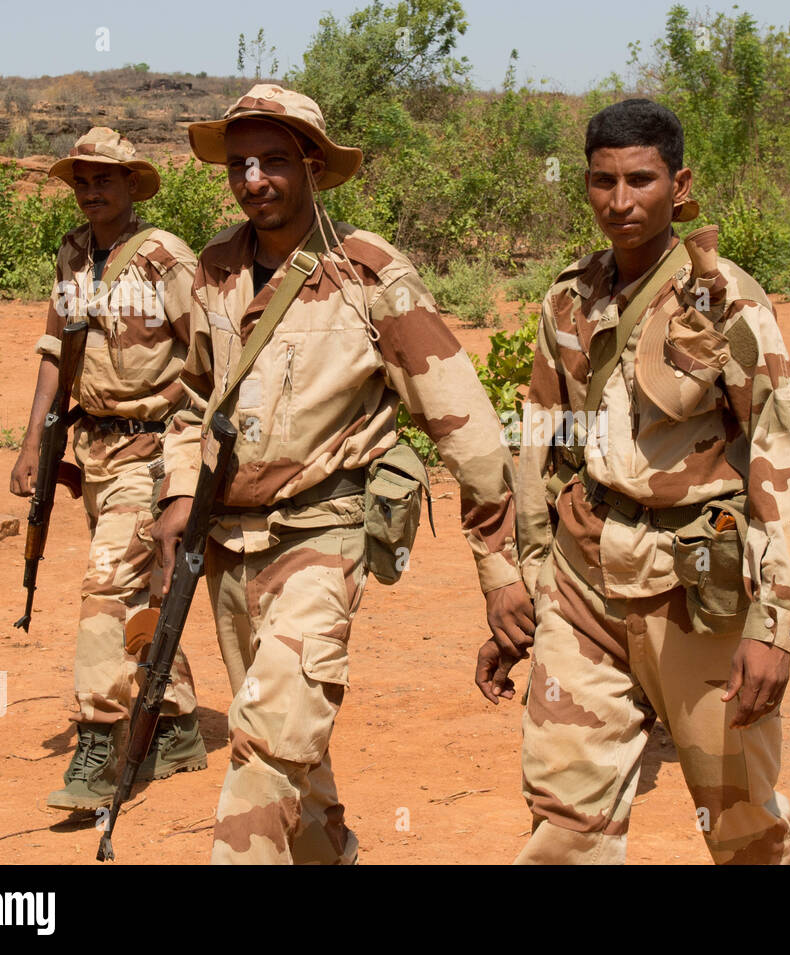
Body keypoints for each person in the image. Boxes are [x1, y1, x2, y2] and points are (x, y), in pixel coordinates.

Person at [152, 84, 534, 864]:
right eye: (240, 163)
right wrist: (175, 492)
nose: (254, 178)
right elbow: (192, 398)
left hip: (320, 542)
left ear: (315, 168)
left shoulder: (369, 277)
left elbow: (468, 430)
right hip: (225, 546)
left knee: (262, 748)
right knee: (295, 750)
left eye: (275, 161)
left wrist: (501, 573)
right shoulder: (216, 269)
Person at [475, 99, 790, 864]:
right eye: (602, 181)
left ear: (679, 181)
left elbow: (781, 464)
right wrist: (523, 585)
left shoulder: (726, 300)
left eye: (640, 180)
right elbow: (544, 445)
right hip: (583, 579)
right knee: (565, 824)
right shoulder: (568, 299)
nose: (620, 202)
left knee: (742, 825)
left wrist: (775, 626)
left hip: (693, 590)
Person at [11, 127, 206, 812]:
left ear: (131, 186)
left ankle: (99, 739)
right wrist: (38, 440)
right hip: (94, 448)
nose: (91, 191)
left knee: (103, 588)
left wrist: (194, 461)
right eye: (82, 181)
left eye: (105, 180)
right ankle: (178, 724)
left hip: (153, 449)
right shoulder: (71, 253)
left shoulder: (164, 259)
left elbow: (210, 352)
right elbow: (54, 348)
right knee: (139, 593)